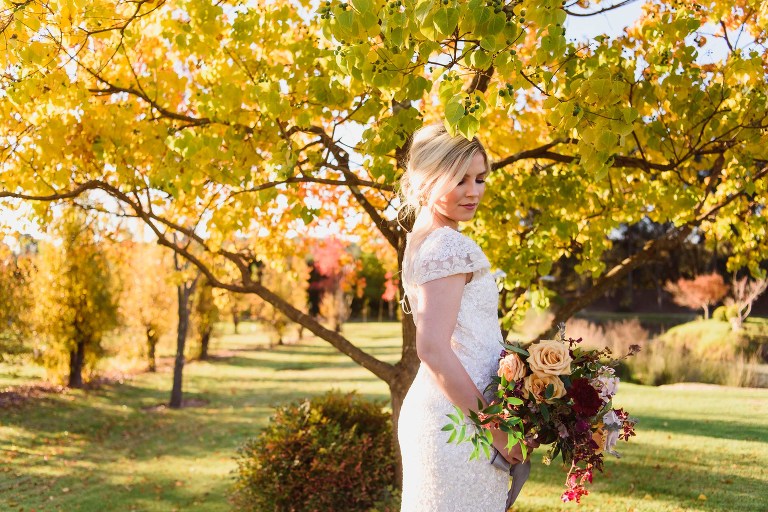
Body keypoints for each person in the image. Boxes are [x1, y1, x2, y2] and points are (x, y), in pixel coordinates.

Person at [397, 124, 532, 511]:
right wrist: (498, 428)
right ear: (429, 180)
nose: (473, 191)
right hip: (461, 423)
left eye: (480, 178)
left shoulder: (425, 239)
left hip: (455, 414)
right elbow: (434, 349)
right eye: (459, 180)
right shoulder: (448, 245)